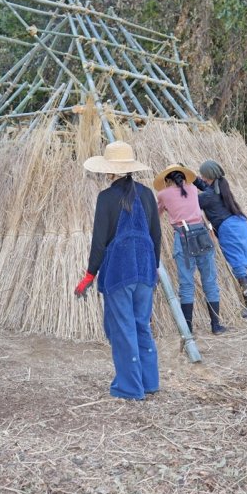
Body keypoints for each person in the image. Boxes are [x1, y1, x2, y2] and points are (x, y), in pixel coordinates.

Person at [74, 141, 162, 400]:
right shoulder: (147, 194)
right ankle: (149, 382)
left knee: (122, 328)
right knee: (141, 325)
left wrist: (90, 274)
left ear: (109, 170)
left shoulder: (106, 198)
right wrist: (152, 269)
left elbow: (99, 240)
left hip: (119, 271)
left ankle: (129, 388)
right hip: (145, 269)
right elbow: (156, 236)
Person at [154, 164, 227, 335]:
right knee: (209, 280)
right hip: (202, 234)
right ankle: (216, 325)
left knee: (186, 284)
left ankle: (188, 329)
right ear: (184, 176)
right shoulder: (193, 188)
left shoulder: (163, 194)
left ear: (167, 180)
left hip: (183, 236)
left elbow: (157, 214)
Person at [193, 160, 247, 317]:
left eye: (203, 175)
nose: (201, 177)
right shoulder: (220, 185)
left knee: (237, 265)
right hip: (239, 225)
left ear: (209, 176)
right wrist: (194, 180)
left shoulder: (209, 195)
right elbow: (205, 187)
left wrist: (183, 188)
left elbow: (194, 202)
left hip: (229, 230)